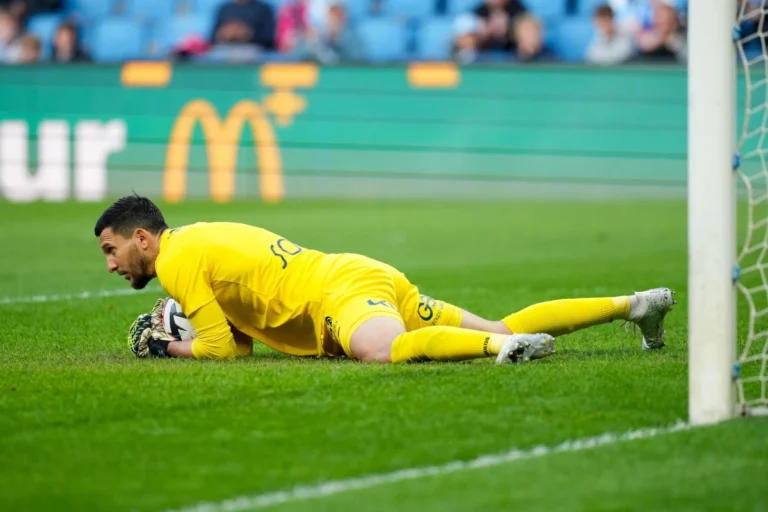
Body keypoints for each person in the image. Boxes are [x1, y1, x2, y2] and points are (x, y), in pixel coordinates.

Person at [94, 195, 676, 363]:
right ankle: (635, 305)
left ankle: (506, 349)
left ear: (141, 238)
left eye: (112, 248)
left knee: (381, 349)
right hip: (356, 276)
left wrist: (170, 346)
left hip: (341, 293)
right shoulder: (195, 241)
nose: (112, 263)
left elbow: (222, 350)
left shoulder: (175, 261)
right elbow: (239, 337)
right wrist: (186, 332)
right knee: (494, 320)